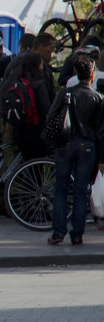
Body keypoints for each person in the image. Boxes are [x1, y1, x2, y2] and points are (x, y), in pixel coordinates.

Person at [46, 47, 104, 246]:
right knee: (81, 191)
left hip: (64, 145)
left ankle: (58, 232)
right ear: (92, 74)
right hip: (87, 147)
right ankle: (77, 234)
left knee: (61, 189)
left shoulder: (65, 93)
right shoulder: (97, 98)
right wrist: (102, 159)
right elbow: (101, 131)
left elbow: (51, 117)